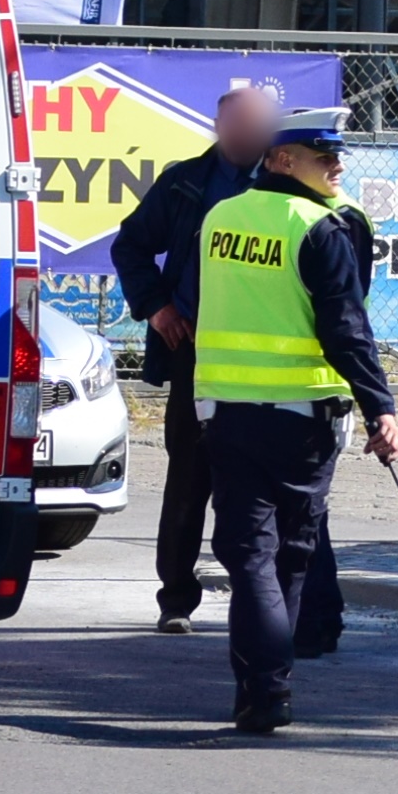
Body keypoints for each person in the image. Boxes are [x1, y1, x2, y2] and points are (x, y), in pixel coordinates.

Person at [178, 123, 398, 734]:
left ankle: (261, 690)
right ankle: (272, 686)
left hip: (226, 412)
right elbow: (346, 328)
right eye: (324, 157)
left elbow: (197, 298)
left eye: (338, 157)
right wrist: (381, 404)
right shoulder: (318, 228)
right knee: (288, 561)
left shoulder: (221, 218)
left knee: (251, 557)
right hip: (303, 419)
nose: (338, 167)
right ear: (281, 159)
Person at [111, 78, 284, 633]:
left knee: (261, 482)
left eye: (260, 127)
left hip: (268, 363)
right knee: (189, 479)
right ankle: (176, 601)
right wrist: (157, 308)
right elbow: (130, 245)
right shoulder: (187, 183)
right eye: (241, 126)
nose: (250, 136)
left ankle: (265, 602)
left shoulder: (285, 185)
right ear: (220, 127)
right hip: (196, 356)